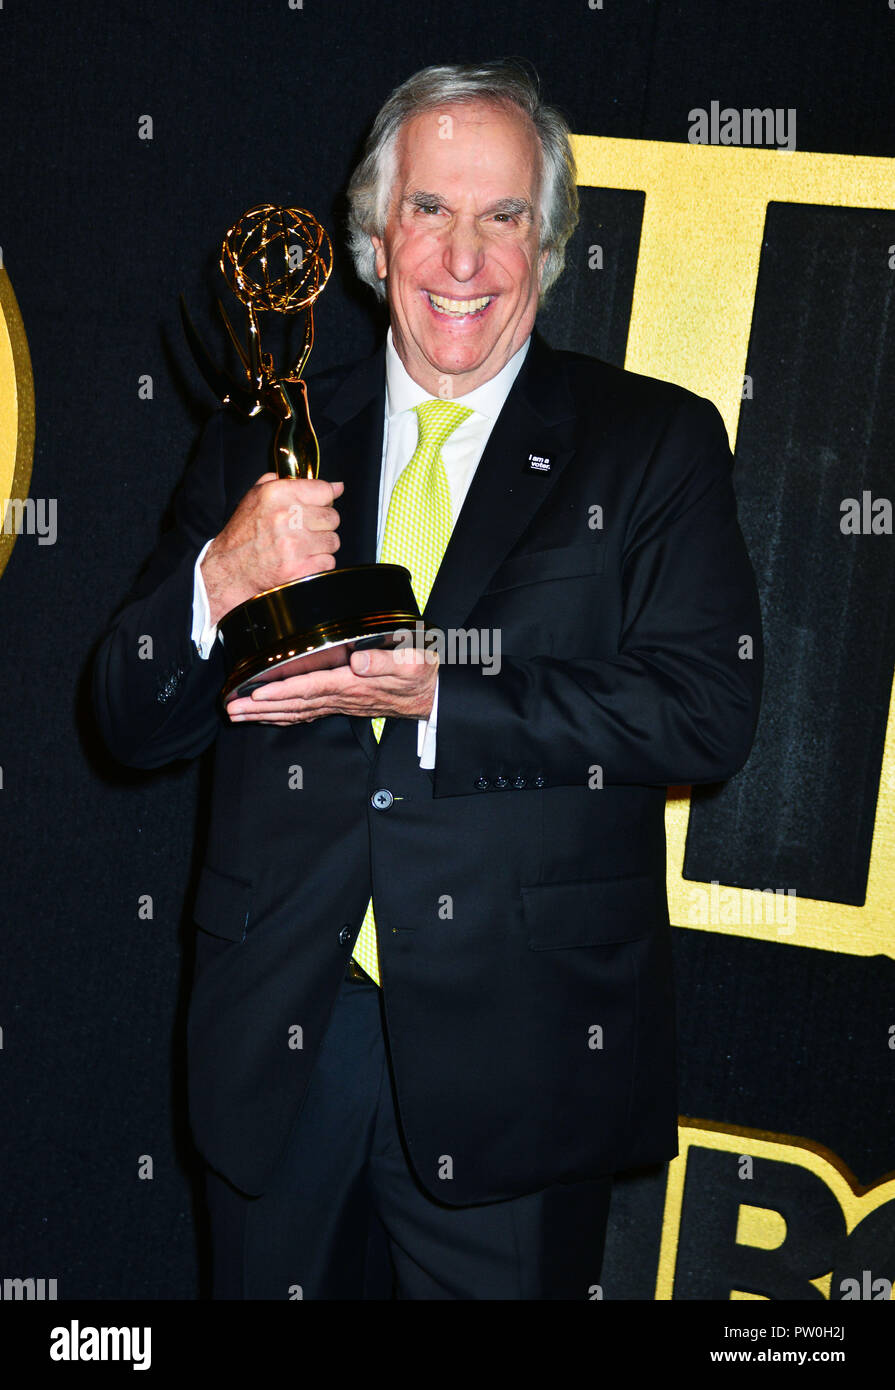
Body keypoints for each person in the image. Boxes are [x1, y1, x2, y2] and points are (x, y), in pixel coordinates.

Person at [92, 60, 763, 1299]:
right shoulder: (261, 435)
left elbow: (705, 711)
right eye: (430, 211)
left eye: (503, 215)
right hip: (279, 1059)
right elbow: (127, 718)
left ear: (550, 244)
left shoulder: (651, 442)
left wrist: (439, 697)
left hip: (519, 1066)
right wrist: (215, 578)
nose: (464, 259)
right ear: (370, 236)